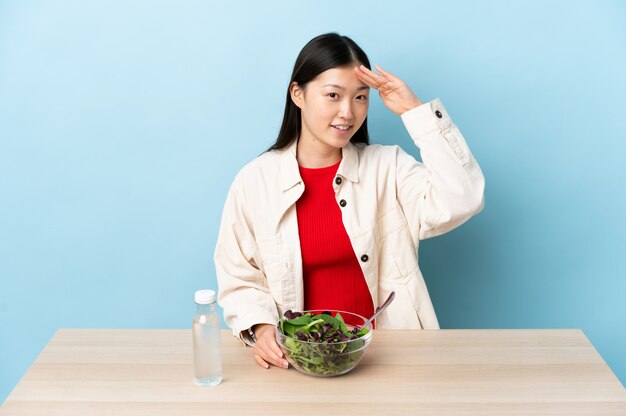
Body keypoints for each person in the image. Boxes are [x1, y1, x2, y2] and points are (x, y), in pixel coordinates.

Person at [215, 33, 485, 370]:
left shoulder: (388, 167)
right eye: (333, 95)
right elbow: (238, 274)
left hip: (391, 359)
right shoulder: (255, 181)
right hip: (298, 361)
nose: (347, 112)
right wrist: (261, 326)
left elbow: (463, 198)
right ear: (297, 94)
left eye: (360, 97)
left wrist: (416, 112)